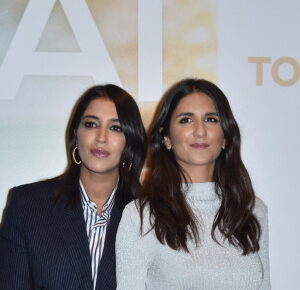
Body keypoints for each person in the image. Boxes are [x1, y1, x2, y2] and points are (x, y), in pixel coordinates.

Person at [116, 78, 271, 289]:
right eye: (186, 120)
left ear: (225, 137)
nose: (200, 130)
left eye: (211, 119)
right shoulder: (140, 216)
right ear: (166, 138)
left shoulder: (252, 210)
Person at [0, 84, 147, 290]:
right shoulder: (27, 205)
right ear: (76, 133)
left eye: (116, 127)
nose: (101, 137)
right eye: (91, 124)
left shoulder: (149, 217)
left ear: (130, 141)